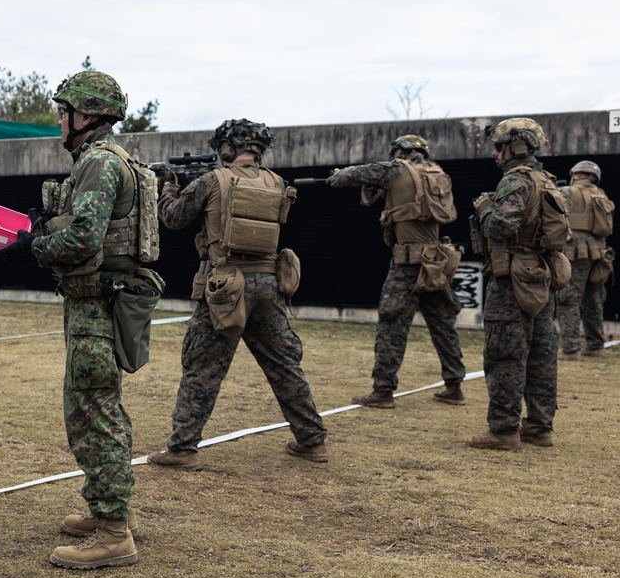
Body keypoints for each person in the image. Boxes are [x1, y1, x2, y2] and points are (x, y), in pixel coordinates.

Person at [0, 70, 158, 569]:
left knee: (93, 413)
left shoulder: (98, 164)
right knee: (96, 408)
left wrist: (31, 247)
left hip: (98, 307)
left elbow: (85, 239)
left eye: (63, 112)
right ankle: (108, 511)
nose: (58, 121)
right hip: (100, 301)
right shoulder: (114, 161)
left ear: (85, 116)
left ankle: (113, 533)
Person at [145, 118, 329, 470]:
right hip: (269, 285)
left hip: (227, 286)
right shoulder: (276, 182)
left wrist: (167, 188)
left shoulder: (211, 181)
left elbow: (172, 218)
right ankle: (312, 440)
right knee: (284, 365)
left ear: (227, 148)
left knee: (202, 368)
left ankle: (182, 448)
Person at [326, 135, 466, 408]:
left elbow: (353, 175)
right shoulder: (437, 174)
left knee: (391, 326)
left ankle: (383, 391)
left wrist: (337, 175)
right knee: (443, 325)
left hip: (407, 263)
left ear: (400, 152)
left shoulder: (396, 169)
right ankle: (454, 385)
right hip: (435, 260)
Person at [467, 117, 563, 451]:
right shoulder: (547, 180)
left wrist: (485, 210)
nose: (495, 154)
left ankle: (504, 431)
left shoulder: (516, 181)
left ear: (516, 147)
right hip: (541, 273)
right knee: (541, 353)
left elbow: (501, 226)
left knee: (504, 352)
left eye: (499, 146)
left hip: (512, 279)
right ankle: (539, 427)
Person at [557, 160, 614, 361]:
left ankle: (571, 349)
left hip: (575, 253)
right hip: (598, 254)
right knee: (594, 300)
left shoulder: (567, 192)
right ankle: (595, 346)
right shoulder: (601, 194)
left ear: (578, 174)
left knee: (568, 299)